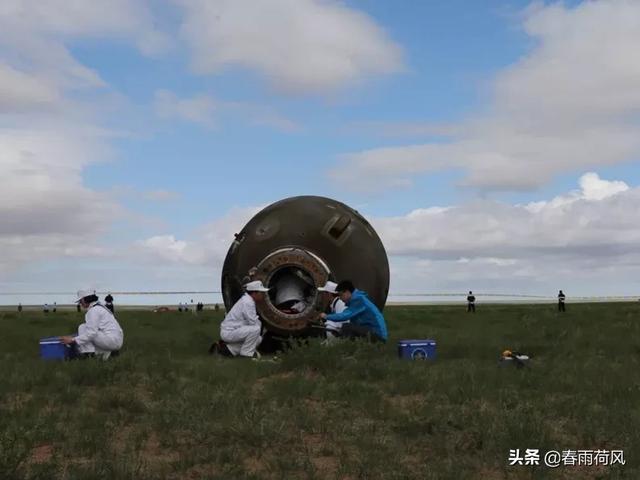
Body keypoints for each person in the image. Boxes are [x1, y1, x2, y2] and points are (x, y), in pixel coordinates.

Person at [60, 289, 124, 360]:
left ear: (86, 299)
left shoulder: (93, 310)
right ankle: (109, 353)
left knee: (83, 328)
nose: (80, 303)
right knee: (85, 328)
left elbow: (91, 333)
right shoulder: (99, 307)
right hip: (114, 340)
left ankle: (88, 355)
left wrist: (72, 340)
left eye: (81, 301)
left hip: (112, 341)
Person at [319, 280, 387, 343]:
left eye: (341, 295)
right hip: (374, 333)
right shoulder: (357, 300)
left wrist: (326, 316)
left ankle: (344, 347)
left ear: (347, 292)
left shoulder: (359, 300)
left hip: (378, 335)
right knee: (347, 328)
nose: (340, 298)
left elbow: (344, 316)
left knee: (347, 327)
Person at [217, 280, 269, 358]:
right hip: (229, 332)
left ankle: (229, 350)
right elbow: (253, 322)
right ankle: (246, 354)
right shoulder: (247, 302)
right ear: (254, 293)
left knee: (258, 339)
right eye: (261, 293)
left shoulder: (247, 300)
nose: (263, 295)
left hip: (233, 331)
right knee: (255, 329)